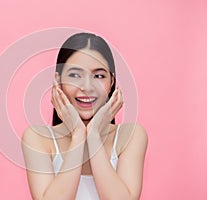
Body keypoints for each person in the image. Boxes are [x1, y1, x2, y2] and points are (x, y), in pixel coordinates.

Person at [21, 32, 148, 200]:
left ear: (111, 82)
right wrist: (78, 134)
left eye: (99, 76)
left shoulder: (130, 136)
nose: (87, 87)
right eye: (75, 75)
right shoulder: (37, 138)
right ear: (58, 81)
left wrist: (93, 134)